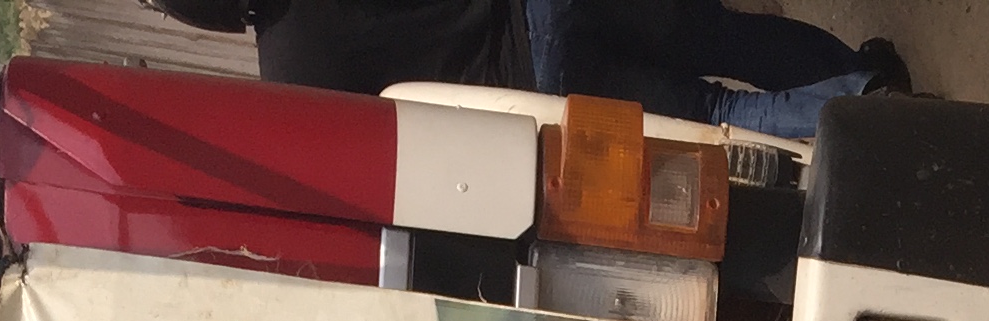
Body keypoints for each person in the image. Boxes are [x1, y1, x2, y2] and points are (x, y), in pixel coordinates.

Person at [252, 0, 905, 141]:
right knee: (718, 34)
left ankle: (869, 108)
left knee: (712, 112)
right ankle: (859, 72)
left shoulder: (290, 80)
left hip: (535, 80)